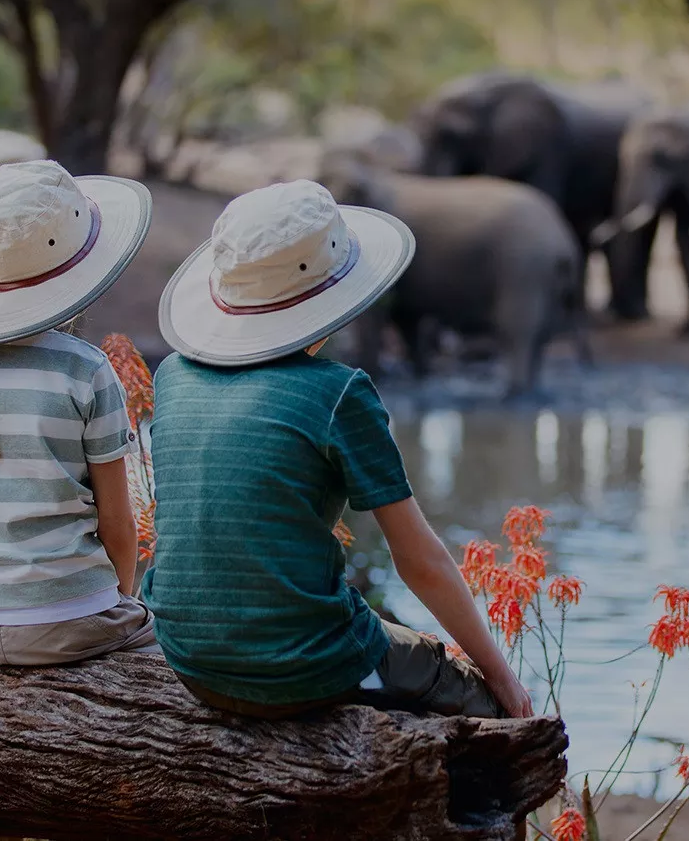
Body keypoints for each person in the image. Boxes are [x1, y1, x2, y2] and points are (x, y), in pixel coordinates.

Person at [144, 179, 533, 720]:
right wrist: (503, 678)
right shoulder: (338, 391)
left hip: (190, 660)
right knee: (476, 698)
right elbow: (420, 562)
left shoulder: (171, 376)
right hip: (301, 670)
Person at [0, 159, 158, 666]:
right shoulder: (85, 370)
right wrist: (121, 600)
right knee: (168, 637)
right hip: (67, 620)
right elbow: (117, 520)